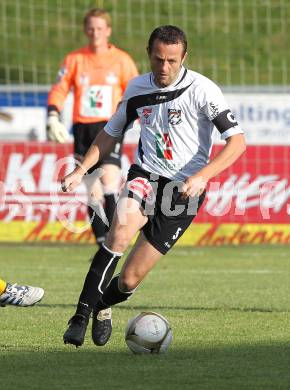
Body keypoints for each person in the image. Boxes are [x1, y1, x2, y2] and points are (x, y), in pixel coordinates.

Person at [61, 25, 246, 348]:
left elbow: (237, 142)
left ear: (184, 57)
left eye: (172, 61)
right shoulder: (136, 89)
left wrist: (203, 175)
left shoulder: (203, 90)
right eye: (158, 59)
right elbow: (110, 133)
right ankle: (79, 315)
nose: (164, 68)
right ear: (149, 54)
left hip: (184, 192)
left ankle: (102, 305)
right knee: (119, 233)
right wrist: (81, 169)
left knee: (131, 279)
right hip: (145, 176)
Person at [47, 7, 138, 247]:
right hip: (83, 130)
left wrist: (136, 117)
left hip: (110, 127)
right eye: (91, 28)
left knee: (109, 181)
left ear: (108, 31)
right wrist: (52, 115)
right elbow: (60, 88)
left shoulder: (122, 60)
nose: (95, 32)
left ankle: (116, 238)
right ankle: (103, 243)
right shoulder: (74, 59)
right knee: (91, 189)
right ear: (85, 30)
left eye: (100, 28)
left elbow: (135, 92)